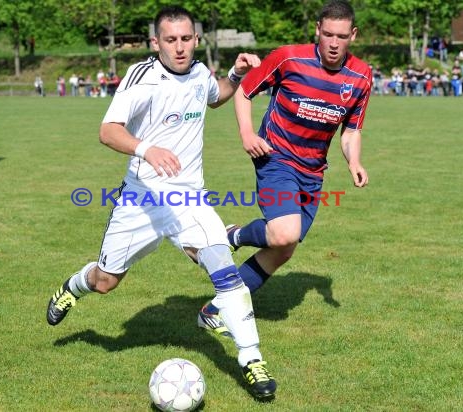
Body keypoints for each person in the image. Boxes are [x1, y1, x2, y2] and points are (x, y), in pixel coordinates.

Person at [46, 5, 276, 399]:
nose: (180, 47)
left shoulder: (200, 72)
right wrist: (147, 149)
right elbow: (107, 131)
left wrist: (235, 75)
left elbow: (215, 96)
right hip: (140, 199)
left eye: (186, 39)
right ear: (156, 43)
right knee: (106, 282)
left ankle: (251, 359)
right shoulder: (142, 77)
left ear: (196, 39)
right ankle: (73, 286)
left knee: (221, 263)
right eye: (171, 40)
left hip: (188, 198)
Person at [198, 0, 371, 330]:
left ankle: (216, 309)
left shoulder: (361, 76)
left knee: (284, 248)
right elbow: (244, 91)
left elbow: (351, 129)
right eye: (328, 34)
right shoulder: (289, 57)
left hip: (313, 170)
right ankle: (233, 237)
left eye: (342, 36)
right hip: (275, 157)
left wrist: (355, 161)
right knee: (284, 231)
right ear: (317, 30)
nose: (334, 43)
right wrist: (247, 133)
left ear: (353, 35)